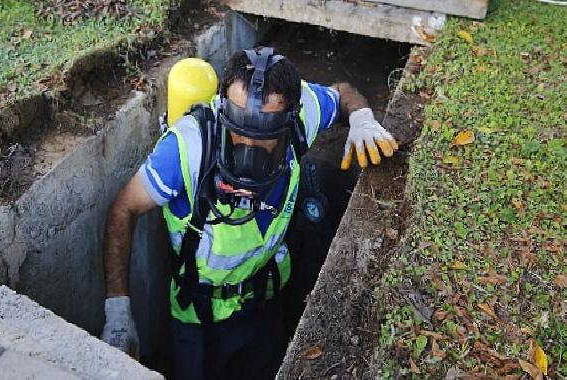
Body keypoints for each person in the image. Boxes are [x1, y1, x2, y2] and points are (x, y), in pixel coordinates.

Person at [100, 47, 398, 380]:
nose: (247, 156)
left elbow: (343, 92)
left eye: (264, 139)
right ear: (222, 109)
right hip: (200, 319)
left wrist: (361, 119)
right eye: (237, 133)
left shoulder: (302, 116)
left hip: (264, 303)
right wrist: (118, 310)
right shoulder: (186, 149)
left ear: (289, 119)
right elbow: (123, 209)